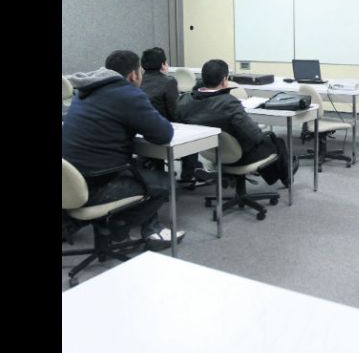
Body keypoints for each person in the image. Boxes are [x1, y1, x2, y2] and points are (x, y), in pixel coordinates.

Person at [62, 50, 185, 247]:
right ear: (133, 75)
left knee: (142, 168)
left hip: (69, 179)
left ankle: (75, 221)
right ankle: (118, 228)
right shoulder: (128, 94)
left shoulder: (84, 91)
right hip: (96, 182)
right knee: (165, 182)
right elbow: (164, 134)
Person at [176, 59, 296, 186]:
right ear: (224, 80)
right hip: (238, 156)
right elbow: (254, 135)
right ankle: (286, 177)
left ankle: (277, 174)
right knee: (276, 142)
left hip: (209, 152)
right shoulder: (228, 102)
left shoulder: (184, 100)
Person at [139, 47, 202, 183]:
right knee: (193, 129)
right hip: (163, 129)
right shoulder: (168, 81)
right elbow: (174, 112)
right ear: (163, 64)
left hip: (141, 130)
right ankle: (189, 174)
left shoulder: (137, 81)